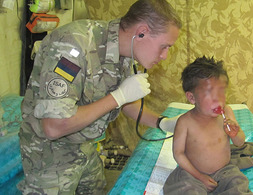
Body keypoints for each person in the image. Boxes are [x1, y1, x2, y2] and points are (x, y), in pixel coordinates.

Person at [17, 0, 182, 194]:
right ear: (142, 31)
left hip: (85, 145)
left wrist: (162, 122)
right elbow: (53, 126)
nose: (165, 56)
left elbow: (127, 103)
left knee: (96, 189)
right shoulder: (73, 45)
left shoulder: (126, 49)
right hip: (50, 153)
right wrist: (117, 97)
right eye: (164, 46)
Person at [163, 56, 253, 194]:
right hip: (193, 174)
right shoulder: (185, 122)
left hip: (224, 171)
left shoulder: (227, 112)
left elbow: (240, 143)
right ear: (192, 98)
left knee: (239, 183)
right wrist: (200, 177)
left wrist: (236, 133)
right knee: (186, 190)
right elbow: (178, 154)